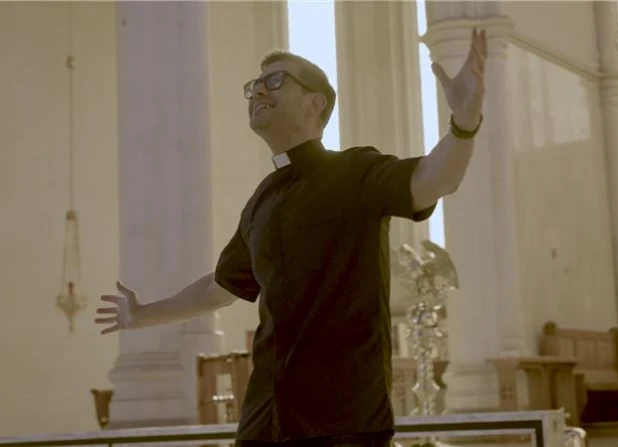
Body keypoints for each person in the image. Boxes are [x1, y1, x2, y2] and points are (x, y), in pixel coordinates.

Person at [96, 28, 488, 447]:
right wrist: (143, 315)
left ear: (314, 103)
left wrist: (464, 123)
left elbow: (436, 179)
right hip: (265, 419)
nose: (258, 90)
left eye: (275, 80)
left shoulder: (355, 172)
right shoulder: (262, 200)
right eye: (254, 84)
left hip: (343, 422)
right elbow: (220, 287)